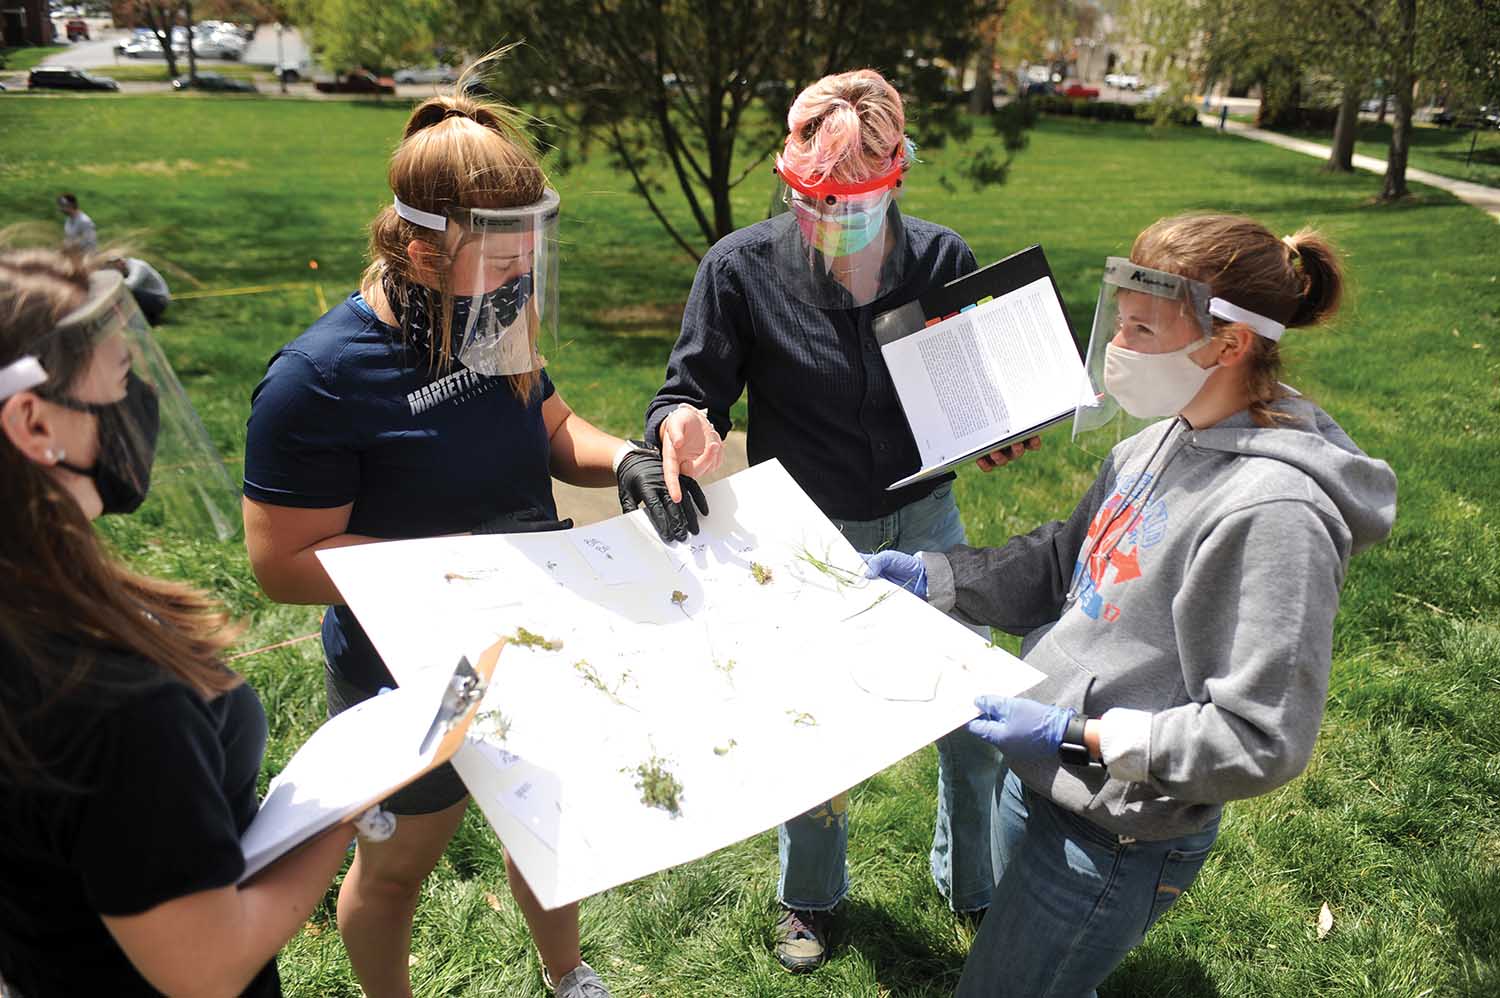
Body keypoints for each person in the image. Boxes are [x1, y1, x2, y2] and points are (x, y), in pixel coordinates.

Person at [241, 77, 701, 998]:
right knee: (402, 864)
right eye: (501, 259)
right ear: (419, 246)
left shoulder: (493, 308)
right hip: (411, 671)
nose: (520, 278)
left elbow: (548, 424)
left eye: (531, 251)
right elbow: (279, 566)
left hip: (530, 633)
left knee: (548, 823)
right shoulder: (316, 380)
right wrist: (460, 567)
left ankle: (566, 973)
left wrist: (622, 462)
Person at [865, 213, 1397, 997]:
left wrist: (1080, 735)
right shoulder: (1153, 440)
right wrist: (932, 575)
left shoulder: (1274, 513)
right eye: (1118, 321)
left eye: (1142, 328)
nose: (1117, 348)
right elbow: (1061, 561)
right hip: (1044, 777)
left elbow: (1263, 737)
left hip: (1114, 831)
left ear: (1227, 343)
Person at [641, 68, 1039, 971]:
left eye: (854, 198)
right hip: (807, 535)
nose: (833, 217)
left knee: (970, 714)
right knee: (811, 727)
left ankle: (971, 883)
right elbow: (684, 393)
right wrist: (683, 425)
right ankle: (811, 900)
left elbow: (980, 398)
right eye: (814, 198)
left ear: (897, 173)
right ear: (788, 181)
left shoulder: (940, 261)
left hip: (926, 518)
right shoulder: (739, 268)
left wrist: (1002, 433)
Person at [0, 249, 355, 996]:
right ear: (33, 422)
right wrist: (345, 810)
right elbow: (206, 968)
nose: (141, 406)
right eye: (123, 380)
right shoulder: (118, 700)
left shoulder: (28, 604)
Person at [109, 256, 172, 325]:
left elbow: (130, 285)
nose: (113, 269)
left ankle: (151, 319)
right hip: (151, 297)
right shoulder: (125, 268)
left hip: (160, 300)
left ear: (120, 261)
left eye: (113, 265)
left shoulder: (138, 266)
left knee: (130, 292)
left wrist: (113, 284)